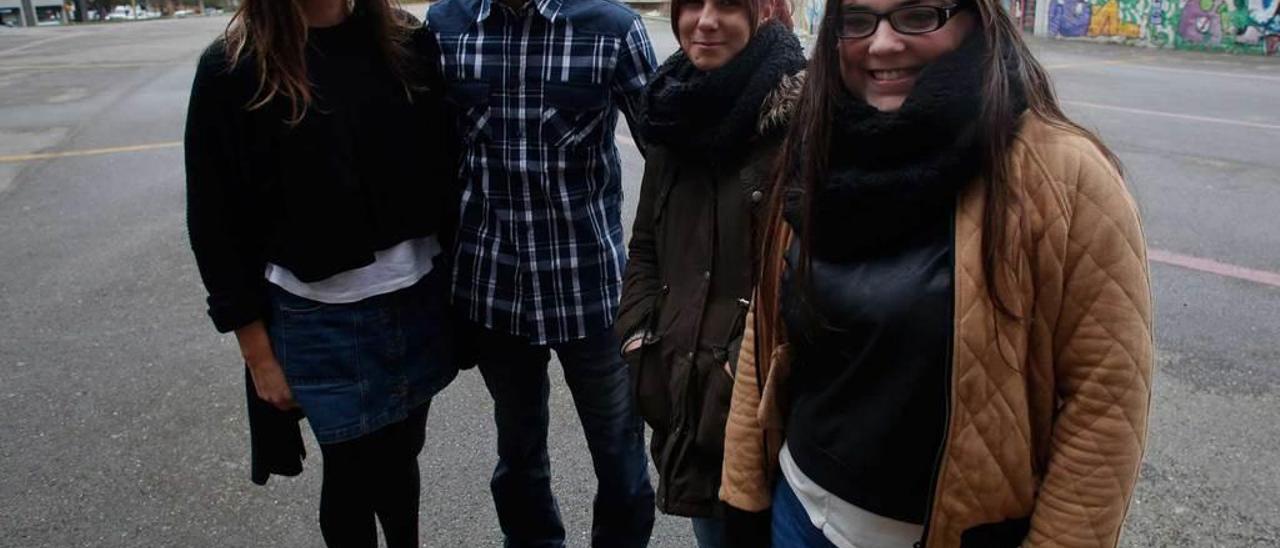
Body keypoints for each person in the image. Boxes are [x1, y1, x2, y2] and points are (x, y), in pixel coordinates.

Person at [718, 0, 1154, 545]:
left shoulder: (1064, 175)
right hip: (798, 516)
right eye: (857, 20)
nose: (881, 44)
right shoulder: (817, 143)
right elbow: (769, 329)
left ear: (976, 19)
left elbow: (1104, 406)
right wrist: (744, 493)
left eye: (917, 15)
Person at [184, 1, 457, 546]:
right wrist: (258, 354)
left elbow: (445, 164)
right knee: (353, 479)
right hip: (319, 319)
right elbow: (214, 223)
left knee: (400, 460)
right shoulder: (235, 66)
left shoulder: (403, 40)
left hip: (417, 300)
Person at [425, 0, 659, 546]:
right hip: (493, 291)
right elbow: (424, 148)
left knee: (622, 462)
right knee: (519, 458)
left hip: (591, 291)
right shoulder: (447, 26)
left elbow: (674, 154)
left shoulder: (612, 29)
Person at [613, 0, 804, 544]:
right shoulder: (672, 110)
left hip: (773, 416)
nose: (706, 20)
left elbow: (816, 273)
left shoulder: (802, 115)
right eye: (692, 3)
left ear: (764, 10)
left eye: (727, 4)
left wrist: (739, 369)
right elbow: (646, 243)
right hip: (688, 401)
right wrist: (638, 338)